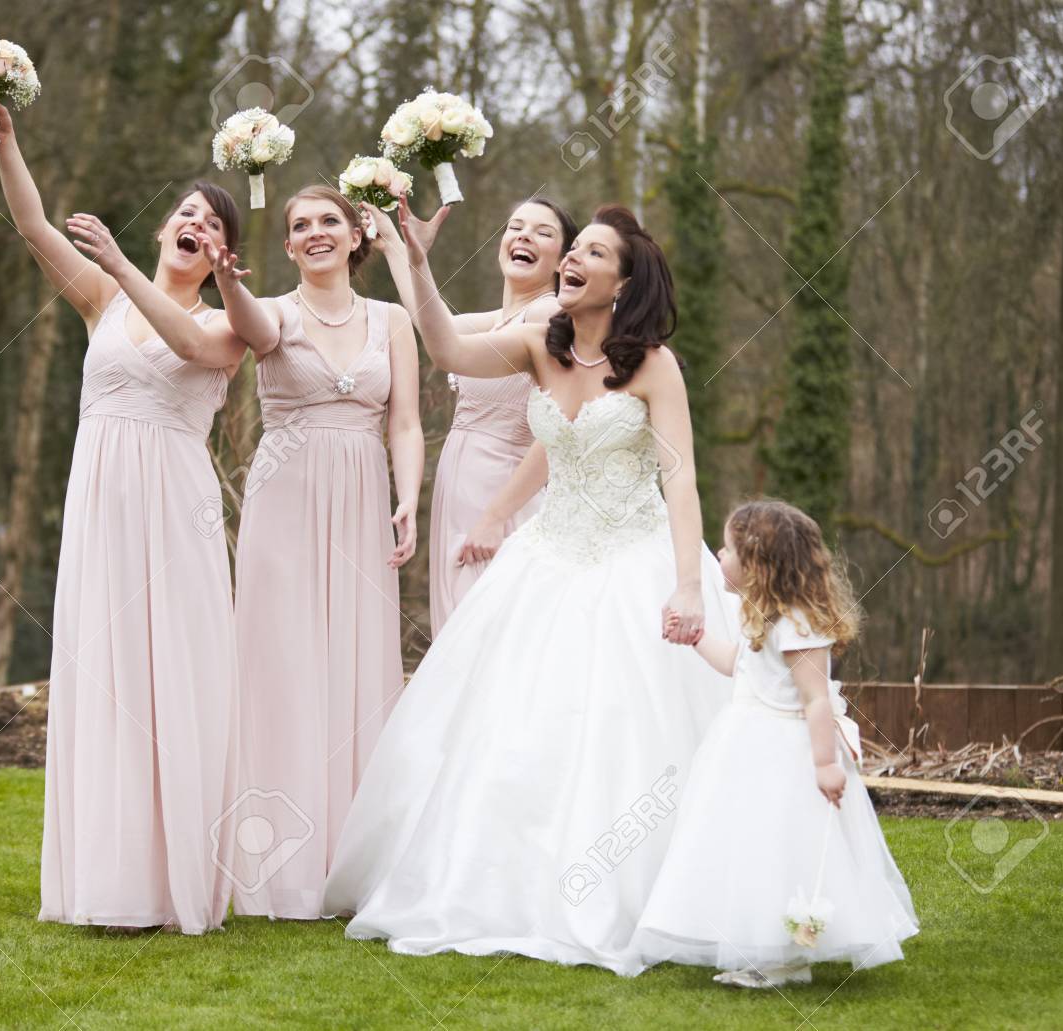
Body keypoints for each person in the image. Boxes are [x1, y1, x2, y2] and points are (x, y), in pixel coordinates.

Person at [322, 200, 736, 974]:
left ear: (622, 281)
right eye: (572, 248)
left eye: (592, 252)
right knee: (508, 727)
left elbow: (680, 482)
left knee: (622, 727)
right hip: (546, 558)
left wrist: (687, 586)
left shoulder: (653, 364)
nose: (573, 257)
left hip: (632, 556)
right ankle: (497, 884)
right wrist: (414, 259)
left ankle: (632, 892)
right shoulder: (538, 345)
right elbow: (446, 345)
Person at [0, 91, 259, 933]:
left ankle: (174, 883)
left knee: (171, 679)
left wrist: (128, 267)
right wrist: (5, 143)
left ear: (220, 252)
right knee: (106, 676)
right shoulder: (103, 299)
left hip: (176, 514)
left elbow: (190, 349)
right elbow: (31, 228)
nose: (189, 222)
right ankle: (109, 879)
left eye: (206, 221)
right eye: (182, 211)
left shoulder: (229, 321)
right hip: (100, 504)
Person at [220, 185, 423, 919]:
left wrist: (408, 495)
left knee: (358, 659)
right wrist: (225, 281)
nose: (313, 233)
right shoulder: (271, 310)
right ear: (287, 244)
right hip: (285, 495)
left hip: (363, 490)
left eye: (327, 221)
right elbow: (248, 328)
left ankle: (355, 856)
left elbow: (405, 421)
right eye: (299, 225)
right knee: (283, 661)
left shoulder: (393, 320)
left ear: (354, 234)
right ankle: (275, 861)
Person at [632, 499, 918, 986]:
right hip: (745, 743)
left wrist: (825, 763)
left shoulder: (798, 624)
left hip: (785, 753)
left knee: (782, 845)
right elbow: (735, 666)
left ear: (758, 563)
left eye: (727, 549)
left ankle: (785, 959)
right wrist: (695, 637)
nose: (718, 555)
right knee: (751, 846)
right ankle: (763, 945)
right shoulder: (757, 614)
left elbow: (815, 701)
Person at [367, 197, 578, 634]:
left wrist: (495, 517)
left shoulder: (548, 315)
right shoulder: (502, 319)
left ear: (562, 260)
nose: (524, 235)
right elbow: (432, 327)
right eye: (515, 226)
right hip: (460, 494)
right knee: (461, 633)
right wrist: (396, 246)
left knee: (489, 636)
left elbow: (562, 429)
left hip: (501, 498)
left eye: (543, 232)